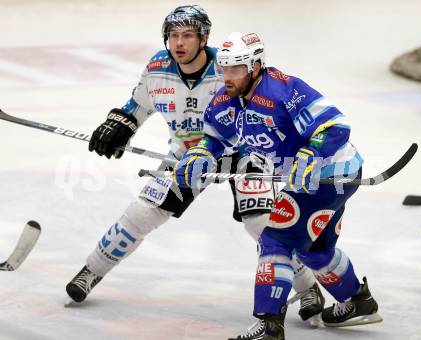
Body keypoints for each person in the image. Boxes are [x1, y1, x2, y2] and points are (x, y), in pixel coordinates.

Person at [65, 6, 323, 323]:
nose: (179, 43)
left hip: (243, 154)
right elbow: (136, 107)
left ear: (204, 38)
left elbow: (267, 102)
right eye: (173, 35)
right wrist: (118, 126)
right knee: (142, 214)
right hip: (188, 156)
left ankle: (308, 286)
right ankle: (91, 271)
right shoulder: (157, 69)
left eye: (187, 35)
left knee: (261, 224)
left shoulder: (227, 67)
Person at [174, 32, 383, 340]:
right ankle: (358, 301)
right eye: (224, 68)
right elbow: (216, 137)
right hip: (325, 178)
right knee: (314, 251)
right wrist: (203, 152)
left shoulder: (285, 90)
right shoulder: (227, 100)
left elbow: (335, 125)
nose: (227, 76)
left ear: (256, 66)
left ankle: (269, 324)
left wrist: (312, 153)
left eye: (236, 69)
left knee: (276, 241)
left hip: (328, 175)